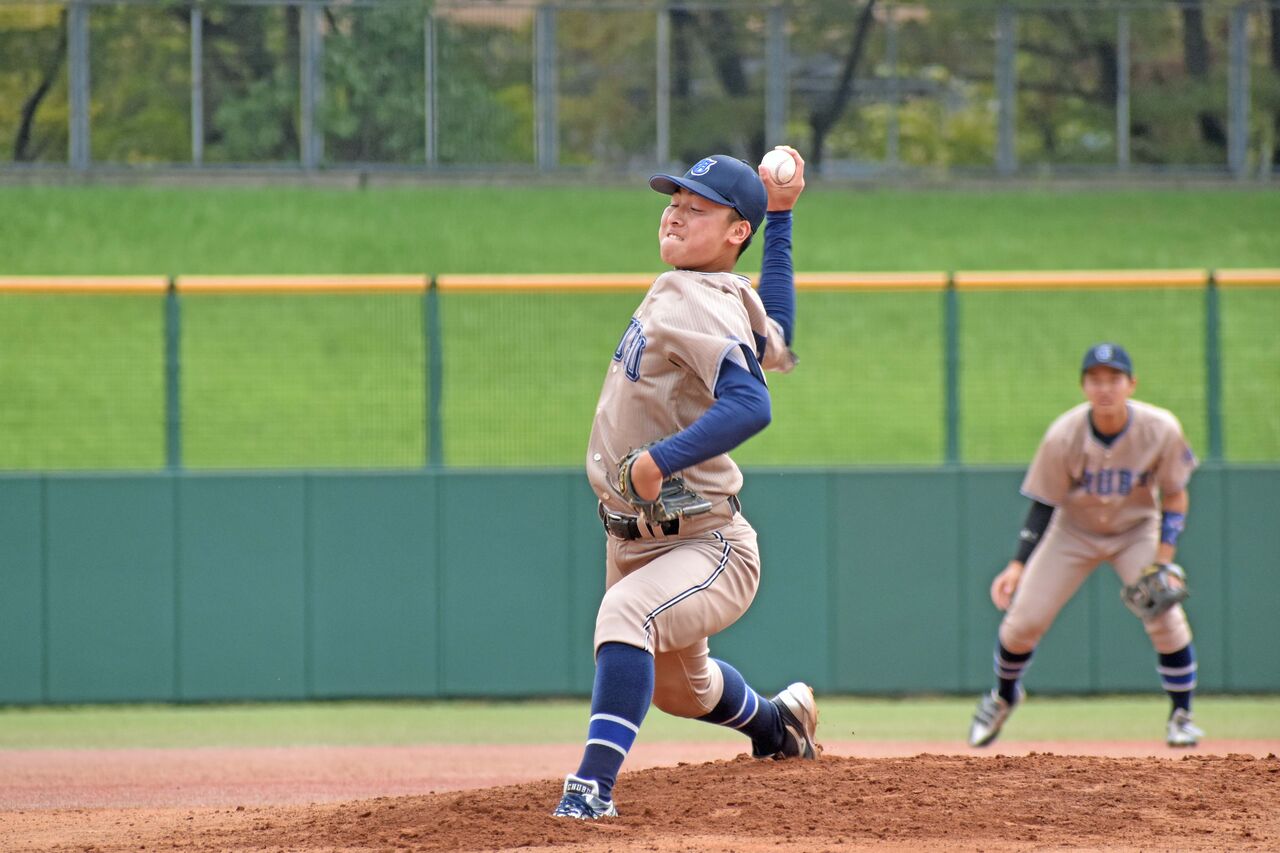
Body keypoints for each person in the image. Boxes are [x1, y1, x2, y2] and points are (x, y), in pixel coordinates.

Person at [552, 148, 816, 820]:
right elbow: (779, 332)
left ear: (735, 232)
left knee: (624, 617)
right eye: (674, 202)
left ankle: (592, 790)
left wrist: (658, 461)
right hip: (638, 539)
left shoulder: (697, 298)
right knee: (681, 690)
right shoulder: (720, 293)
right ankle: (778, 724)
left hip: (704, 541)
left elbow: (751, 404)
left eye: (697, 209)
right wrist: (781, 218)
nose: (675, 214)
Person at [967, 342, 1203, 749]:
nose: (1105, 388)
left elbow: (1175, 495)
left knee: (1165, 615)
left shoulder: (1161, 428)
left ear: (1131, 384)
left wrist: (1164, 560)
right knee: (1023, 621)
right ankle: (1003, 697)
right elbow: (1044, 504)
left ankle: (1182, 715)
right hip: (1072, 532)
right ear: (1084, 386)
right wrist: (1017, 565)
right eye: (1095, 379)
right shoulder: (1064, 434)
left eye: (1114, 379)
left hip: (1136, 530)